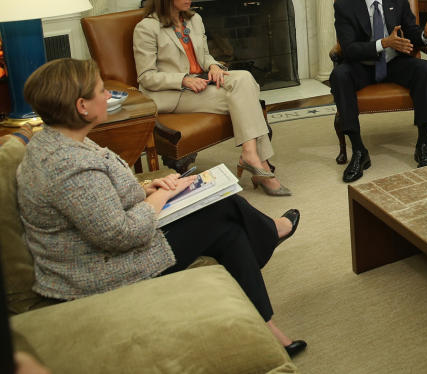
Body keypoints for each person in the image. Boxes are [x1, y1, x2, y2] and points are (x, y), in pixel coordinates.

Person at [16, 58, 305, 357]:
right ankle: (269, 233)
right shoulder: (68, 167)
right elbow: (121, 235)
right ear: (81, 106)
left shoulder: (61, 142)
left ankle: (266, 327)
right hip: (96, 272)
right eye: (101, 91)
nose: (108, 97)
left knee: (227, 227)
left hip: (102, 252)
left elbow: (98, 200)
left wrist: (147, 188)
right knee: (221, 209)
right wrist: (160, 198)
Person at [132, 0, 290, 196]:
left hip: (202, 82)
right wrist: (184, 80)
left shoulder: (194, 19)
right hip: (175, 93)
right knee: (247, 99)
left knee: (244, 79)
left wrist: (214, 66)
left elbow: (204, 56)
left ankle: (250, 155)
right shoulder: (147, 28)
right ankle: (261, 165)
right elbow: (146, 76)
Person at [331, 0, 427, 181]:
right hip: (362, 66)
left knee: (422, 69)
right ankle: (359, 150)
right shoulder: (344, 6)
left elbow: (412, 34)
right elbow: (349, 49)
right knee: (339, 75)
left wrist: (425, 35)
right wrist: (383, 43)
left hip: (394, 62)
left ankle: (423, 144)